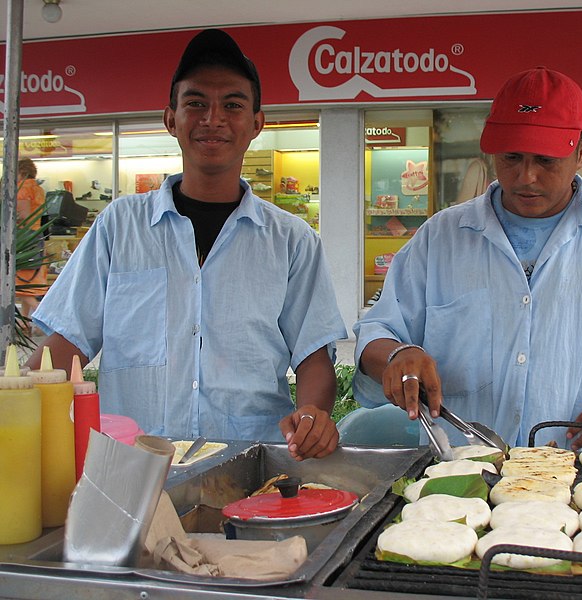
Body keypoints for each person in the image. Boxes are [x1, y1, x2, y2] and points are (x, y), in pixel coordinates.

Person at [28, 29, 347, 460]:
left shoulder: (292, 241)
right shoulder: (119, 226)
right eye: (195, 103)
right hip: (133, 466)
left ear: (256, 123)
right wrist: (18, 397)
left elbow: (313, 357)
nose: (212, 118)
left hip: (252, 466)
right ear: (170, 119)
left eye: (232, 105)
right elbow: (67, 344)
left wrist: (311, 415)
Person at [353, 67, 582, 452]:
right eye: (511, 157)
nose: (526, 176)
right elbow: (377, 332)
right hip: (464, 476)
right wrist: (398, 354)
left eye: (545, 160)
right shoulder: (440, 238)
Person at [15, 158, 48, 327]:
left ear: (20, 171)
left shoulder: (23, 188)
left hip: (23, 238)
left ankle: (46, 317)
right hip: (36, 236)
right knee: (28, 284)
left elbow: (22, 216)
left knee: (19, 284)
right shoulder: (38, 189)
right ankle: (25, 322)